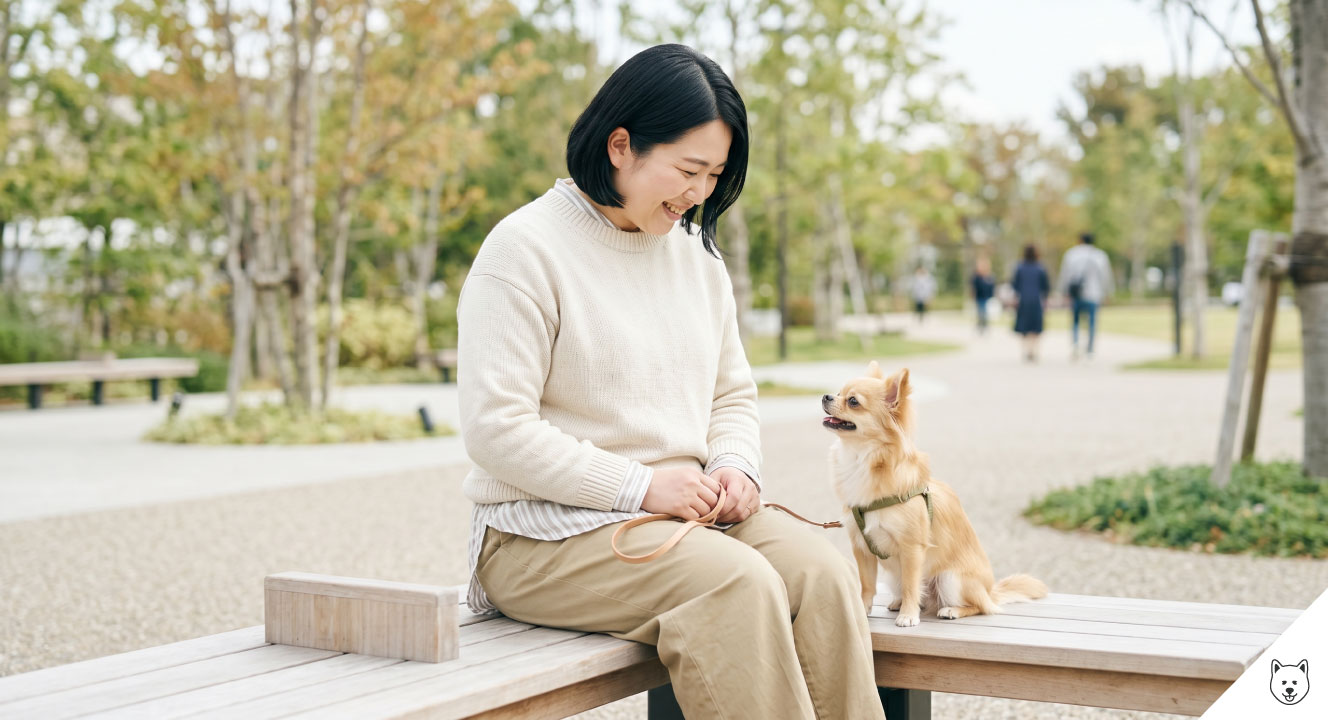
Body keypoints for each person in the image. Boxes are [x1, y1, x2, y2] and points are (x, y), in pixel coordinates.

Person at [457, 44, 884, 719]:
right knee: (736, 586)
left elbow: (731, 395)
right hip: (542, 539)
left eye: (714, 175)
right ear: (620, 145)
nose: (699, 195)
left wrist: (737, 467)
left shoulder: (696, 258)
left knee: (824, 576)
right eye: (689, 170)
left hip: (686, 519)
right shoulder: (524, 249)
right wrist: (643, 485)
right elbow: (495, 431)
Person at [1057, 232, 1115, 359]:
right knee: (1092, 322)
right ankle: (1090, 349)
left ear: (1080, 240)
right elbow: (1106, 276)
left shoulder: (1071, 254)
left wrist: (1063, 292)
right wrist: (1108, 293)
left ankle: (1075, 345)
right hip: (1094, 293)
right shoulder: (1100, 256)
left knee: (1075, 321)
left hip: (1076, 294)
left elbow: (1065, 275)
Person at [1011, 244, 1050, 362]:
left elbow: (1015, 285)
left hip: (1023, 300)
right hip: (1036, 300)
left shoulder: (1019, 267)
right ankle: (1033, 350)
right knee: (1035, 327)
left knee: (1024, 327)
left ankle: (1026, 350)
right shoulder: (1040, 268)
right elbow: (1046, 287)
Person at [971, 257, 996, 334]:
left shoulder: (989, 276)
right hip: (979, 297)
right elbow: (974, 287)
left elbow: (991, 286)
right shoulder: (977, 277)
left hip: (986, 297)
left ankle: (983, 326)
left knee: (984, 313)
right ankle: (981, 326)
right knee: (981, 312)